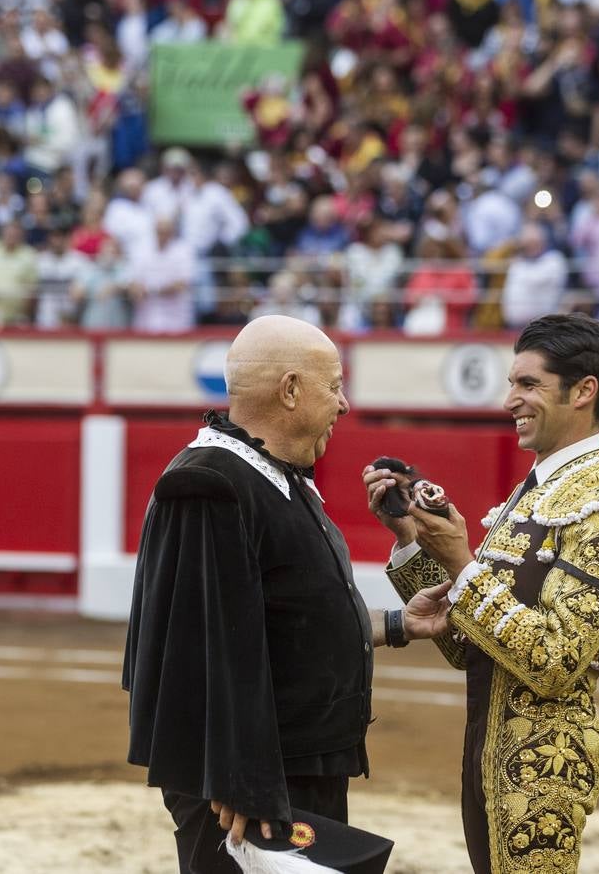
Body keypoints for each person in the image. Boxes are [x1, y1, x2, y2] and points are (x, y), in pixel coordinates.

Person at [123, 315, 453, 872]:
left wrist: (396, 625)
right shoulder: (209, 483)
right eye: (334, 385)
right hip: (251, 784)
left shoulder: (273, 476)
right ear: (292, 389)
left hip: (289, 768)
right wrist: (238, 779)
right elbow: (206, 646)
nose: (344, 404)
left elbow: (281, 619)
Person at [364, 313, 599, 874]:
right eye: (513, 383)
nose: (510, 399)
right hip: (490, 755)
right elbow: (471, 649)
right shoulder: (537, 492)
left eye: (528, 384)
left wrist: (464, 563)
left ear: (584, 391)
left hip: (544, 771)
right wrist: (414, 544)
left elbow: (557, 661)